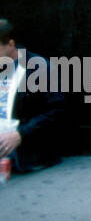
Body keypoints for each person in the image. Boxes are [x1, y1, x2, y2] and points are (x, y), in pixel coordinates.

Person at [0, 19, 66, 173]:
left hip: (24, 142)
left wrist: (20, 134)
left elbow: (55, 112)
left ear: (10, 45)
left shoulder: (39, 68)